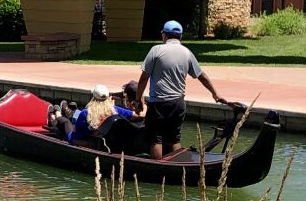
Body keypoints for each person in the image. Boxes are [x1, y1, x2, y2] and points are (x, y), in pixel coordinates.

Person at [134, 20, 230, 160]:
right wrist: (215, 94)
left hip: (158, 103)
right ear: (180, 36)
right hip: (178, 104)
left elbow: (143, 79)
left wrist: (138, 100)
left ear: (164, 35)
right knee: (174, 138)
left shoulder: (156, 50)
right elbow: (201, 76)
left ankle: (159, 170)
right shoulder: (187, 53)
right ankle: (178, 167)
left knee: (156, 139)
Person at [69, 84, 135, 146]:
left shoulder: (86, 112)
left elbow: (78, 133)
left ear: (93, 96)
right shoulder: (116, 109)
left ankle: (65, 113)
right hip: (106, 141)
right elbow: (139, 115)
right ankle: (72, 112)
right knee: (77, 114)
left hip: (89, 141)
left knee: (67, 122)